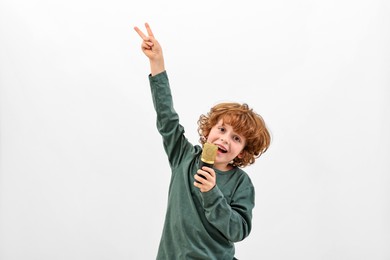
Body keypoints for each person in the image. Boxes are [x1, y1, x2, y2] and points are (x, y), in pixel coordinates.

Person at [134, 23, 271, 260]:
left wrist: (212, 193)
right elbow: (166, 118)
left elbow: (238, 230)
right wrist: (157, 63)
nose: (225, 139)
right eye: (222, 129)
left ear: (241, 152)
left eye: (236, 138)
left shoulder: (241, 183)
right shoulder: (183, 157)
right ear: (208, 131)